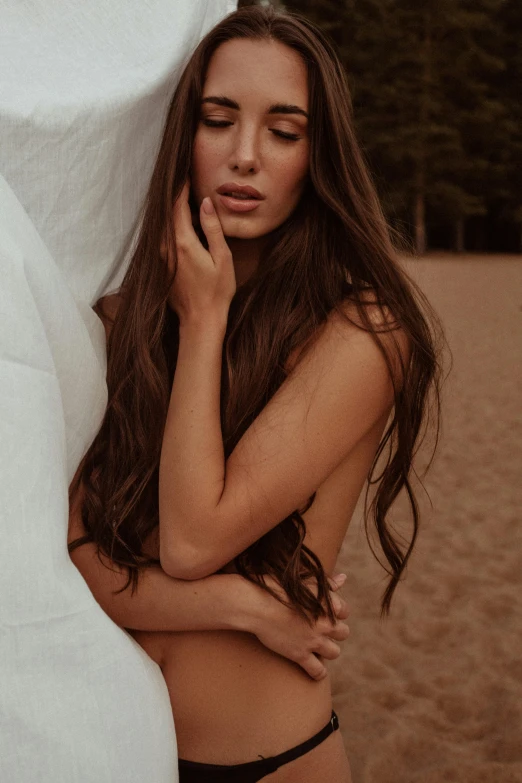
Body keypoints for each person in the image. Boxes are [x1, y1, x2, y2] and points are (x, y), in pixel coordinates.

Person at [68, 5, 442, 782]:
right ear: (184, 137)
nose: (244, 156)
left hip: (270, 763)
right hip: (121, 756)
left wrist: (206, 321)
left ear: (318, 154)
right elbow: (79, 562)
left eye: (284, 130)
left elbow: (195, 540)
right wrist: (246, 609)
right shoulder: (123, 321)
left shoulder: (365, 329)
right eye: (218, 119)